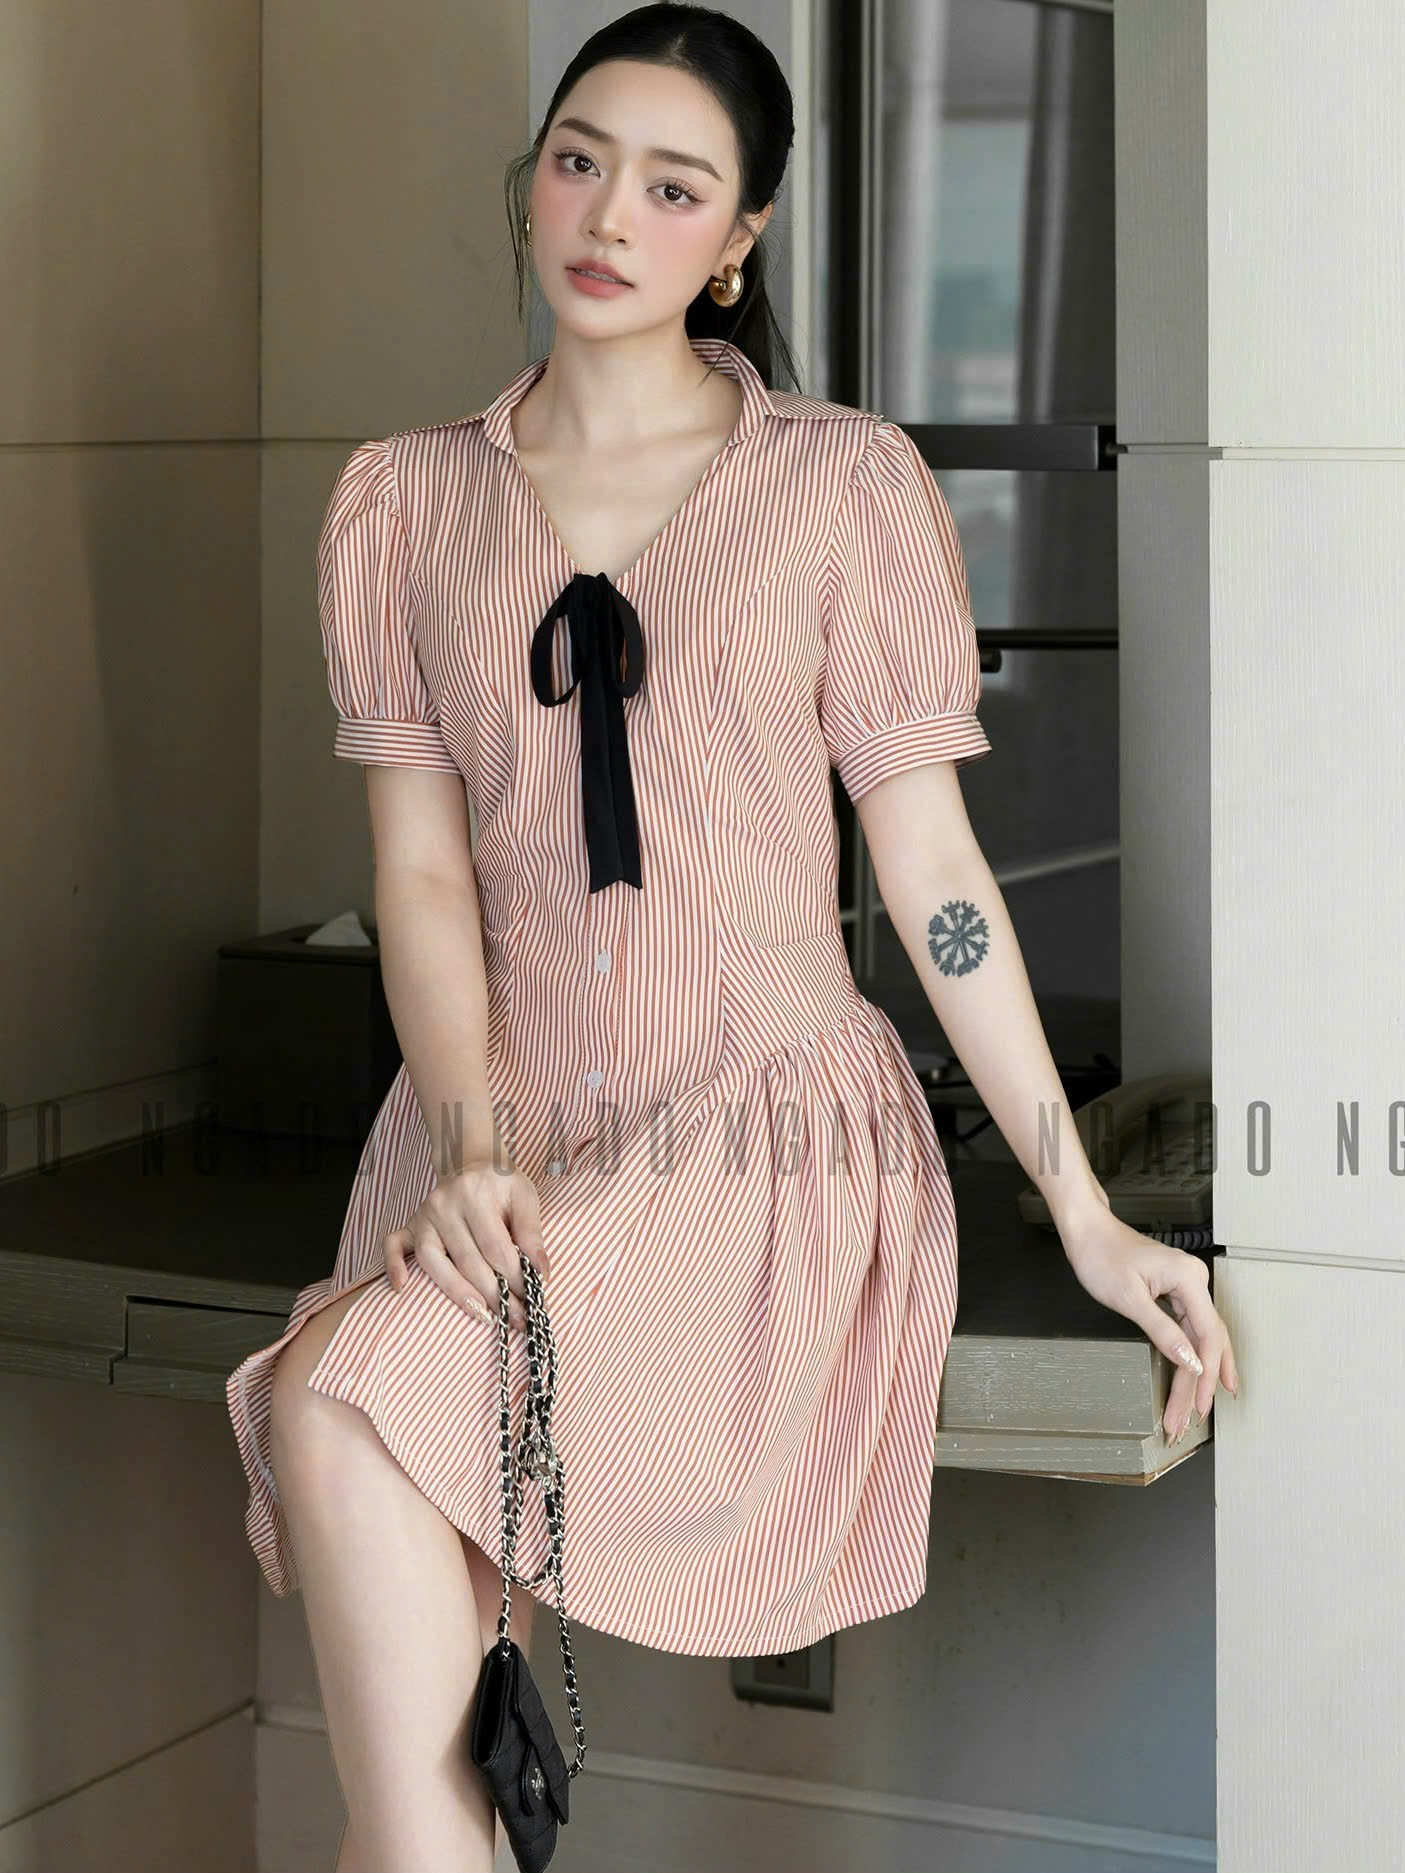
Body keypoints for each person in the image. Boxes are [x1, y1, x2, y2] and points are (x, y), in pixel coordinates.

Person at [224, 5, 1240, 1867]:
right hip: (488, 1126)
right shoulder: (402, 500)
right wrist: (474, 1140)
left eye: (673, 186)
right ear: (533, 179)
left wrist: (1078, 1201)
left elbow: (931, 870)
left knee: (343, 1399)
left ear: (740, 238)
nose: (610, 214)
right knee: (415, 1733)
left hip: (758, 1127)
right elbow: (424, 880)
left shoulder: (842, 484)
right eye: (579, 159)